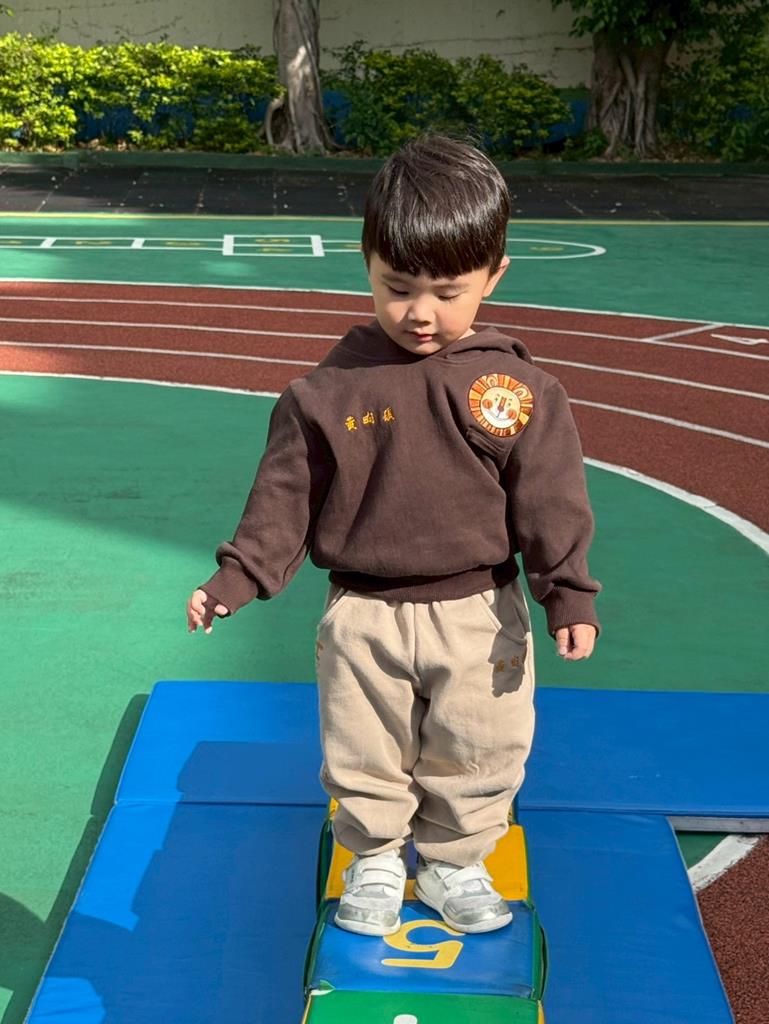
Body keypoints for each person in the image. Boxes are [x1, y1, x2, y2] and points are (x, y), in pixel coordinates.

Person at [186, 134, 600, 938]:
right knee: (362, 748)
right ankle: (374, 856)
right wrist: (237, 577)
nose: (419, 313)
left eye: (447, 292)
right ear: (367, 264)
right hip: (362, 615)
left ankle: (453, 861)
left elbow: (549, 500)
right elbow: (285, 498)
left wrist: (568, 593)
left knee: (479, 745)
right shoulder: (325, 392)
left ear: (493, 276)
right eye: (397, 287)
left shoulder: (516, 390)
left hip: (479, 614)